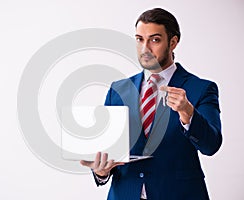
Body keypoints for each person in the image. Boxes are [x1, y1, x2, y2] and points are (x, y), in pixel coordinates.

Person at [80, 8, 222, 200]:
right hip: (125, 194)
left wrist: (188, 113)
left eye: (155, 40)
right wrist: (101, 172)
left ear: (173, 42)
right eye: (139, 39)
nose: (145, 48)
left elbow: (211, 146)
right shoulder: (118, 90)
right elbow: (108, 150)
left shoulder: (201, 88)